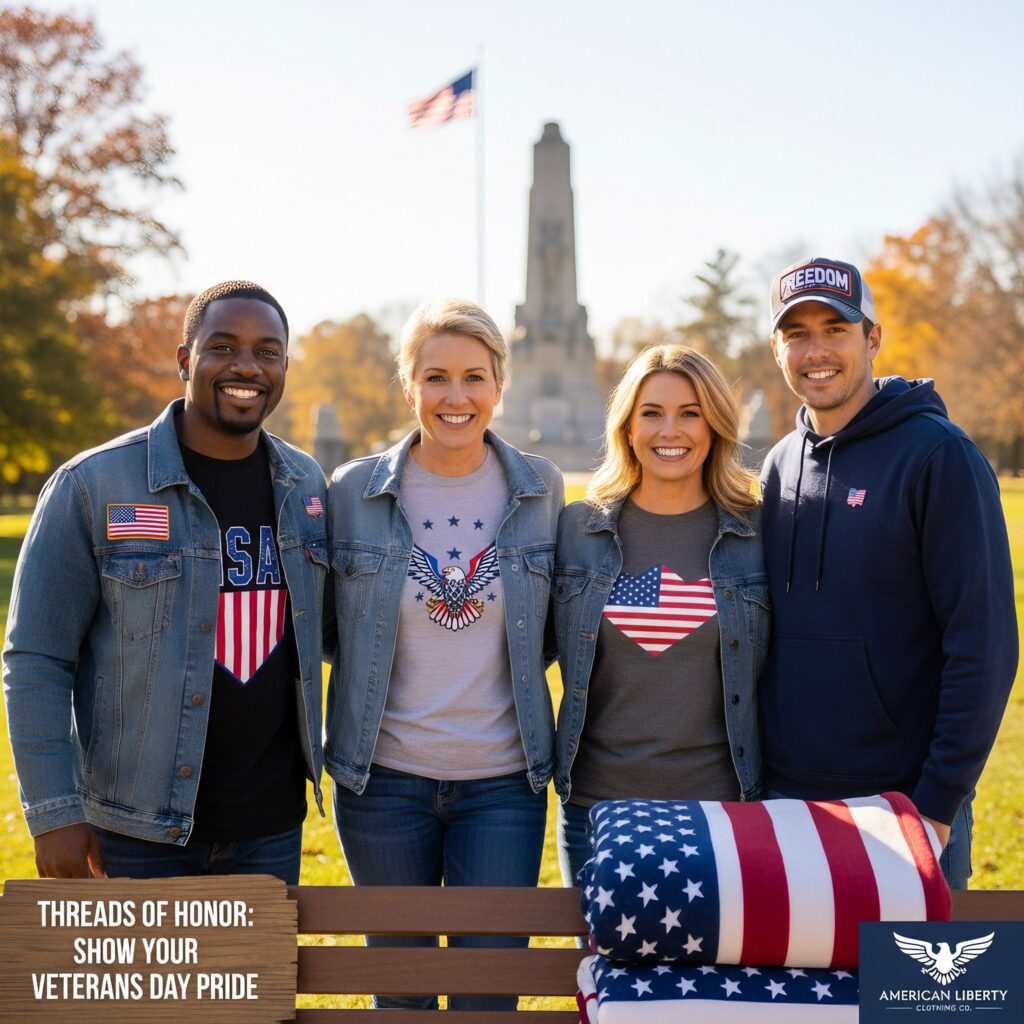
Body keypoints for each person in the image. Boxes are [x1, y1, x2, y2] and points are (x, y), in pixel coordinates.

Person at [2, 281, 328, 883]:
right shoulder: (93, 486)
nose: (247, 367)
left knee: (248, 984)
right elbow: (36, 659)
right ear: (186, 359)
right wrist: (53, 814)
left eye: (268, 351)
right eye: (224, 347)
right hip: (137, 831)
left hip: (270, 829)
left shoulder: (304, 485)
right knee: (145, 984)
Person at [325, 298, 563, 1012]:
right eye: (435, 377)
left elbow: (552, 625)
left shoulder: (542, 490)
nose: (454, 397)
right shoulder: (352, 494)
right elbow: (335, 627)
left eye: (473, 377)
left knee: (486, 997)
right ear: (408, 386)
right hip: (384, 783)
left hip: (503, 784)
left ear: (499, 385)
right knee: (401, 996)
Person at [759, 256, 1017, 889]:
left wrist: (937, 804)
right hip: (785, 806)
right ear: (777, 349)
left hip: (908, 810)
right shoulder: (777, 465)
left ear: (873, 339)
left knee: (920, 988)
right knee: (804, 990)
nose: (816, 350)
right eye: (797, 334)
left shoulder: (940, 456)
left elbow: (983, 645)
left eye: (835, 329)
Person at [553, 345, 768, 887]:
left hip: (722, 810)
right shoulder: (578, 530)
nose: (670, 430)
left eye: (690, 413)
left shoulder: (758, 534)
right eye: (651, 413)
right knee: (600, 972)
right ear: (626, 428)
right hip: (596, 812)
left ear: (715, 425)